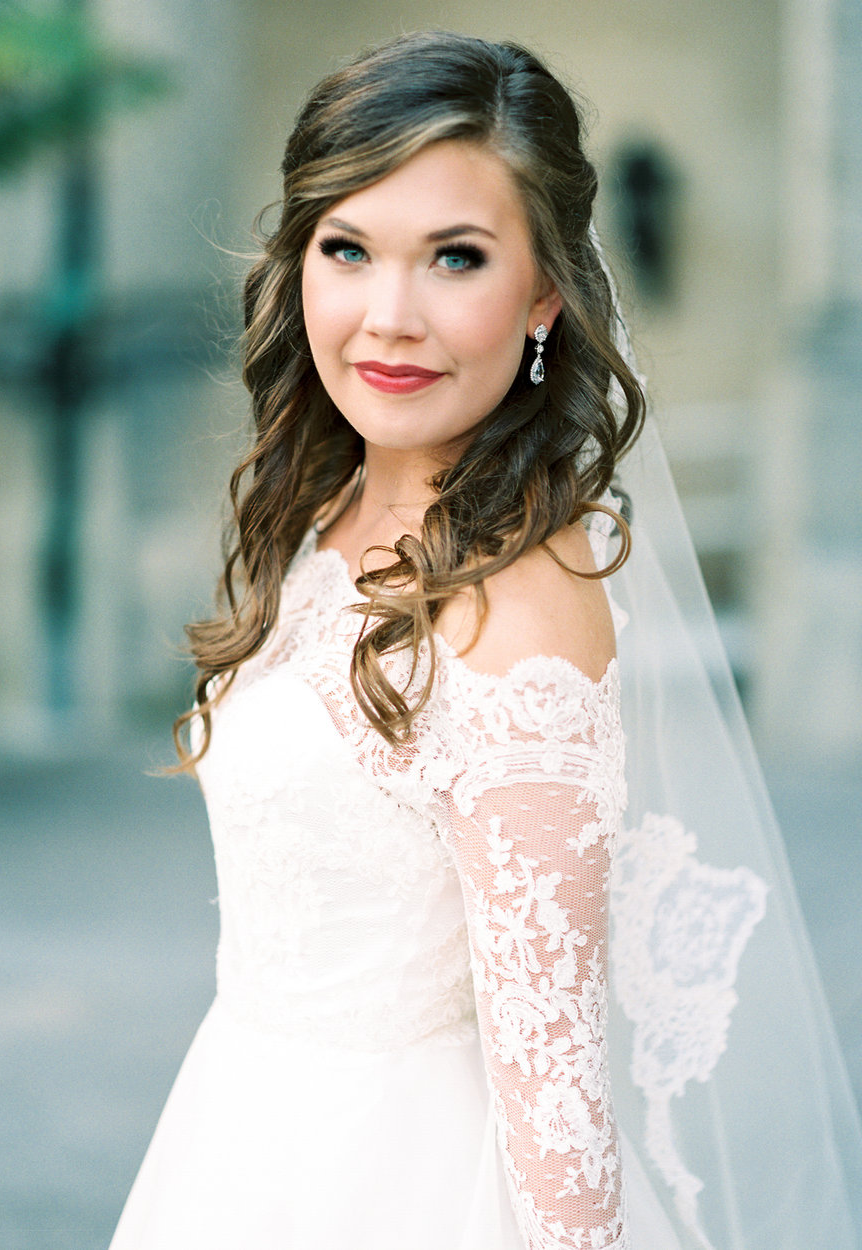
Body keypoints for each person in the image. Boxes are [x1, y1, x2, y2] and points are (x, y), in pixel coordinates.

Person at [109, 31, 862, 1250]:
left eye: (455, 257)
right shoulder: (333, 506)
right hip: (244, 1138)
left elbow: (555, 1087)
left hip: (410, 1188)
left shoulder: (518, 610)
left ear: (544, 294)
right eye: (347, 248)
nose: (387, 317)